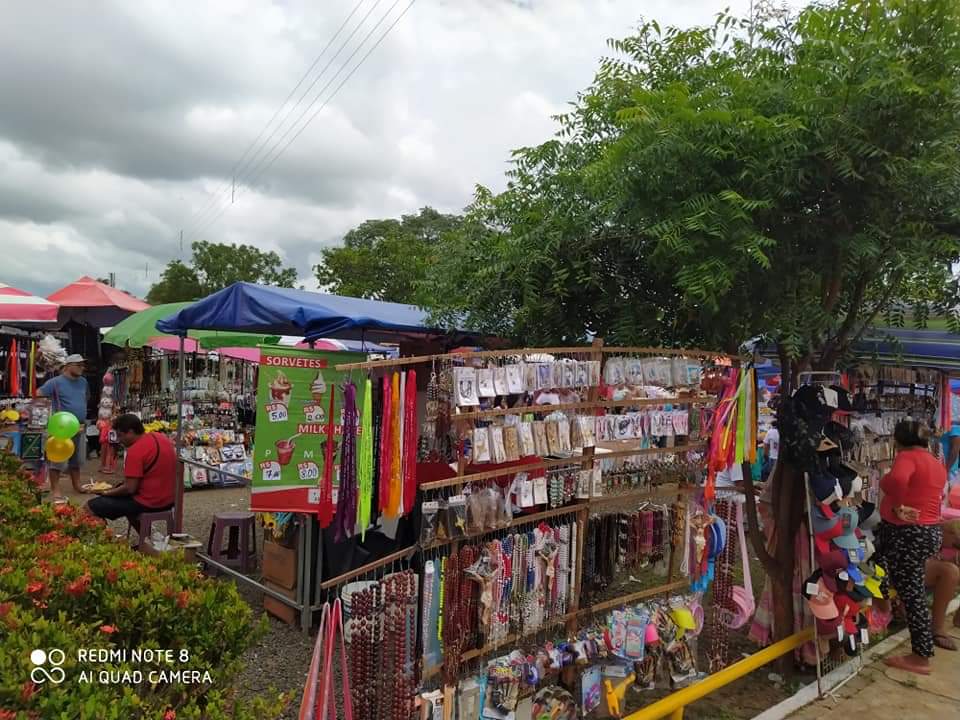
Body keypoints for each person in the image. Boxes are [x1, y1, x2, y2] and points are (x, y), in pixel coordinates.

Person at [876, 419, 947, 675]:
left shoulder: (907, 457)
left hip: (907, 533)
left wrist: (892, 496)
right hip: (928, 532)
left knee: (912, 592)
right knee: (903, 578)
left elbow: (896, 481)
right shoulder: (934, 461)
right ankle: (884, 606)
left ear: (898, 441)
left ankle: (920, 656)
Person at [86, 414, 175, 530]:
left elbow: (130, 488)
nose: (119, 440)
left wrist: (107, 493)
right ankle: (147, 540)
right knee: (122, 496)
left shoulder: (135, 451)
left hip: (150, 502)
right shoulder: (160, 437)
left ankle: (106, 542)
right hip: (170, 498)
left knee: (89, 507)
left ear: (131, 432)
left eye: (120, 436)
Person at [38, 354, 89, 500]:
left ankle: (77, 485)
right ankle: (55, 489)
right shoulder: (54, 382)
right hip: (62, 427)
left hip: (79, 425)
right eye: (78, 365)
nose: (82, 367)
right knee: (58, 460)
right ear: (68, 366)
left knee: (77, 460)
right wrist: (51, 415)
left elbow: (84, 398)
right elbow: (38, 395)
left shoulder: (83, 382)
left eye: (83, 365)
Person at [925, 518, 960, 651]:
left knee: (951, 570)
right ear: (949, 533)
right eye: (955, 544)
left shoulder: (940, 537)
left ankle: (958, 619)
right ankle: (937, 628)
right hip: (906, 566)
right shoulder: (933, 533)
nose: (952, 547)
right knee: (950, 572)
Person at [941, 420, 960, 488]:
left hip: (949, 470)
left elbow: (955, 450)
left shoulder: (954, 427)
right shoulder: (944, 425)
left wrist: (946, 469)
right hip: (942, 467)